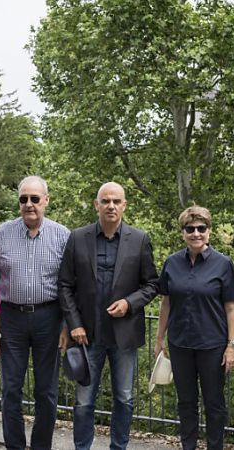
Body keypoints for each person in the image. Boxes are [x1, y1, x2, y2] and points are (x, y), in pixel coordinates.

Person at [58, 181, 159, 450]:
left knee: (124, 398)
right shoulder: (78, 237)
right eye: (106, 201)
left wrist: (129, 302)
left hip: (124, 335)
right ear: (97, 205)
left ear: (124, 205)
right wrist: (74, 325)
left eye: (116, 201)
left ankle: (119, 447)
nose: (111, 206)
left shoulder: (139, 239)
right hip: (86, 336)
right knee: (83, 401)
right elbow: (65, 285)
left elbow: (152, 284)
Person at [0, 176, 70, 450]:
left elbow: (70, 285)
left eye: (35, 199)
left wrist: (67, 325)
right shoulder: (2, 233)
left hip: (49, 318)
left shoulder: (62, 235)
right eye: (23, 199)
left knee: (46, 391)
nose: (29, 204)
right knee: (10, 389)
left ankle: (40, 446)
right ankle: (14, 446)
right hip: (11, 318)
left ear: (46, 200)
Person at [154, 206, 234, 450]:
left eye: (201, 228)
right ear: (183, 233)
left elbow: (232, 307)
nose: (196, 233)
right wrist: (160, 339)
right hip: (180, 344)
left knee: (214, 403)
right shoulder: (171, 263)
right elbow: (166, 303)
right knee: (186, 403)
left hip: (212, 346)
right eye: (190, 229)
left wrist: (231, 346)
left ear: (209, 232)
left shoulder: (223, 264)